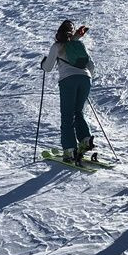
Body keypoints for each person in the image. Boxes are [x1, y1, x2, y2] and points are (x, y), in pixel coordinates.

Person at [41, 20, 95, 163]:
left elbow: (48, 67)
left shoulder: (57, 46)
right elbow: (91, 66)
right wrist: (83, 76)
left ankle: (69, 150)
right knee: (78, 111)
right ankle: (85, 140)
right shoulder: (79, 45)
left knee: (67, 116)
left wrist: (43, 63)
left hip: (68, 80)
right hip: (86, 79)